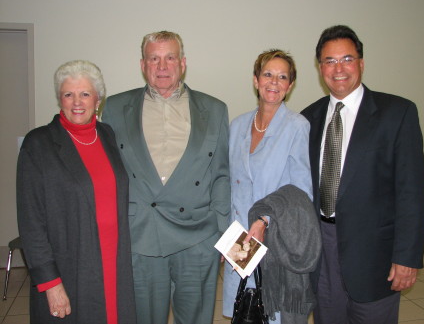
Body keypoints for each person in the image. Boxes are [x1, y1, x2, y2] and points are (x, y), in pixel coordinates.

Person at [301, 25, 424, 324]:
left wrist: (407, 257)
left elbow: (412, 192)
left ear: (361, 62)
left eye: (347, 58)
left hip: (375, 256)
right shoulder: (308, 119)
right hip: (323, 252)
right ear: (320, 68)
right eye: (330, 61)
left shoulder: (397, 113)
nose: (339, 68)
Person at [101, 31, 230, 324]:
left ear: (182, 63)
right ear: (143, 64)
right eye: (154, 58)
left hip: (198, 236)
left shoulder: (214, 109)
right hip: (141, 234)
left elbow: (221, 174)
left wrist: (221, 234)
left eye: (170, 57)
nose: (162, 66)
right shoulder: (115, 108)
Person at [17, 60, 136, 324]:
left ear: (98, 99)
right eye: (68, 94)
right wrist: (50, 283)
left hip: (114, 265)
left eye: (85, 94)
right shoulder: (38, 144)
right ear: (60, 99)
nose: (77, 102)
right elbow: (31, 222)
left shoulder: (107, 135)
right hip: (70, 268)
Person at [223, 49, 320, 324]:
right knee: (246, 311)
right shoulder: (238, 125)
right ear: (256, 80)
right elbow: (231, 187)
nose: (274, 82)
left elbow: (301, 190)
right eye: (268, 74)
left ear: (290, 85)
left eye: (282, 77)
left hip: (275, 236)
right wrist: (227, 238)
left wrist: (265, 219)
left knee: (273, 313)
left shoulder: (297, 126)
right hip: (241, 241)